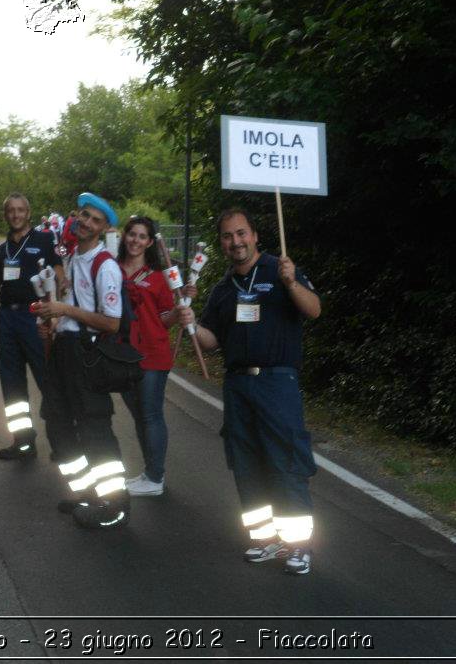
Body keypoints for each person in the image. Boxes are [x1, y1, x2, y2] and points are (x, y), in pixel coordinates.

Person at [177, 208, 321, 574]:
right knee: (246, 463)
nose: (235, 242)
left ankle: (298, 546)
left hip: (277, 382)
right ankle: (266, 540)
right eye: (228, 236)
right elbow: (210, 342)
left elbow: (314, 310)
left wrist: (291, 284)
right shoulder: (224, 290)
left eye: (241, 234)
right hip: (238, 384)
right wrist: (192, 325)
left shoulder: (281, 270)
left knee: (284, 461)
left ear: (254, 235)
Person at [35, 193, 130, 529]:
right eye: (85, 216)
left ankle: (115, 505)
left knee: (94, 430)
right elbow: (70, 308)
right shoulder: (73, 256)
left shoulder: (105, 265)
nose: (87, 223)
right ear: (75, 216)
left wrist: (65, 311)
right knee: (57, 423)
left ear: (104, 228)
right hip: (64, 349)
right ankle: (87, 492)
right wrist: (52, 322)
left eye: (96, 220)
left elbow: (112, 322)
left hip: (88, 355)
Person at [0, 193, 64, 460]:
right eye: (11, 210)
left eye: (20, 210)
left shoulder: (44, 240)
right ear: (6, 215)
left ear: (28, 212)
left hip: (36, 317)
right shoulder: (2, 251)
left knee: (48, 380)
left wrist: (61, 298)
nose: (16, 215)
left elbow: (59, 271)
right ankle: (23, 443)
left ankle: (62, 443)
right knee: (12, 385)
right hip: (8, 321)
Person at [116, 216, 183, 496]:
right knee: (138, 415)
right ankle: (149, 473)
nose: (136, 240)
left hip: (152, 353)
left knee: (151, 415)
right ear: (125, 236)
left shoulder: (158, 276)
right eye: (132, 234)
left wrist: (177, 314)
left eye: (142, 236)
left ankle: (155, 477)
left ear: (150, 242)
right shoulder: (112, 269)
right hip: (121, 354)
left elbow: (165, 318)